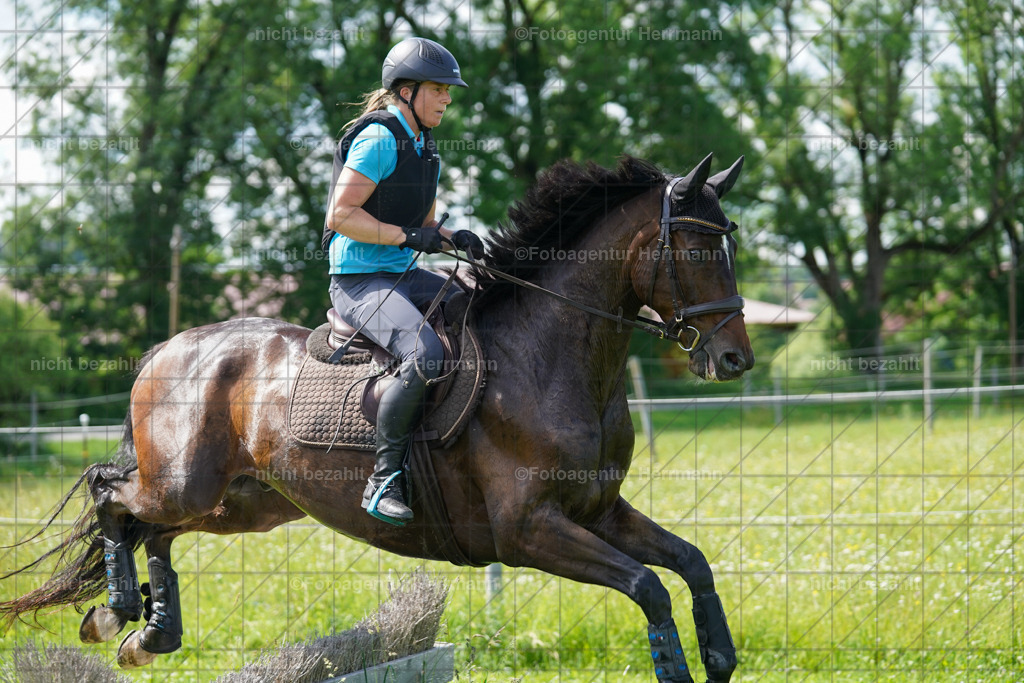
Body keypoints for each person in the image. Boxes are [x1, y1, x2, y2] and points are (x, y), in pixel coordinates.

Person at [321, 37, 484, 526]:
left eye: (448, 90)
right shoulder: (379, 139)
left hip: (404, 274)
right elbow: (341, 214)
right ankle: (383, 479)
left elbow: (427, 226)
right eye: (439, 89)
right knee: (424, 353)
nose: (447, 99)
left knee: (482, 310)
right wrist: (409, 236)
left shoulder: (425, 144)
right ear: (407, 91)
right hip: (358, 281)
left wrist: (455, 237)